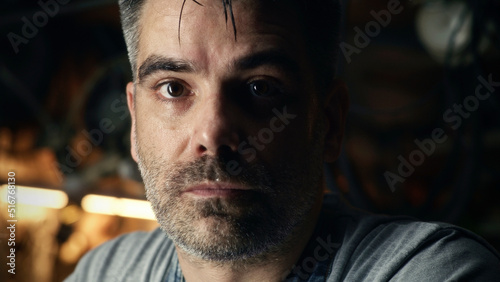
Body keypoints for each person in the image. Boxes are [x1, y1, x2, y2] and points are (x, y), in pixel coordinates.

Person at [66, 0, 500, 281]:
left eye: (260, 88)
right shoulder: (106, 270)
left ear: (329, 122)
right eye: (173, 88)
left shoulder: (433, 273)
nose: (213, 134)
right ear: (136, 122)